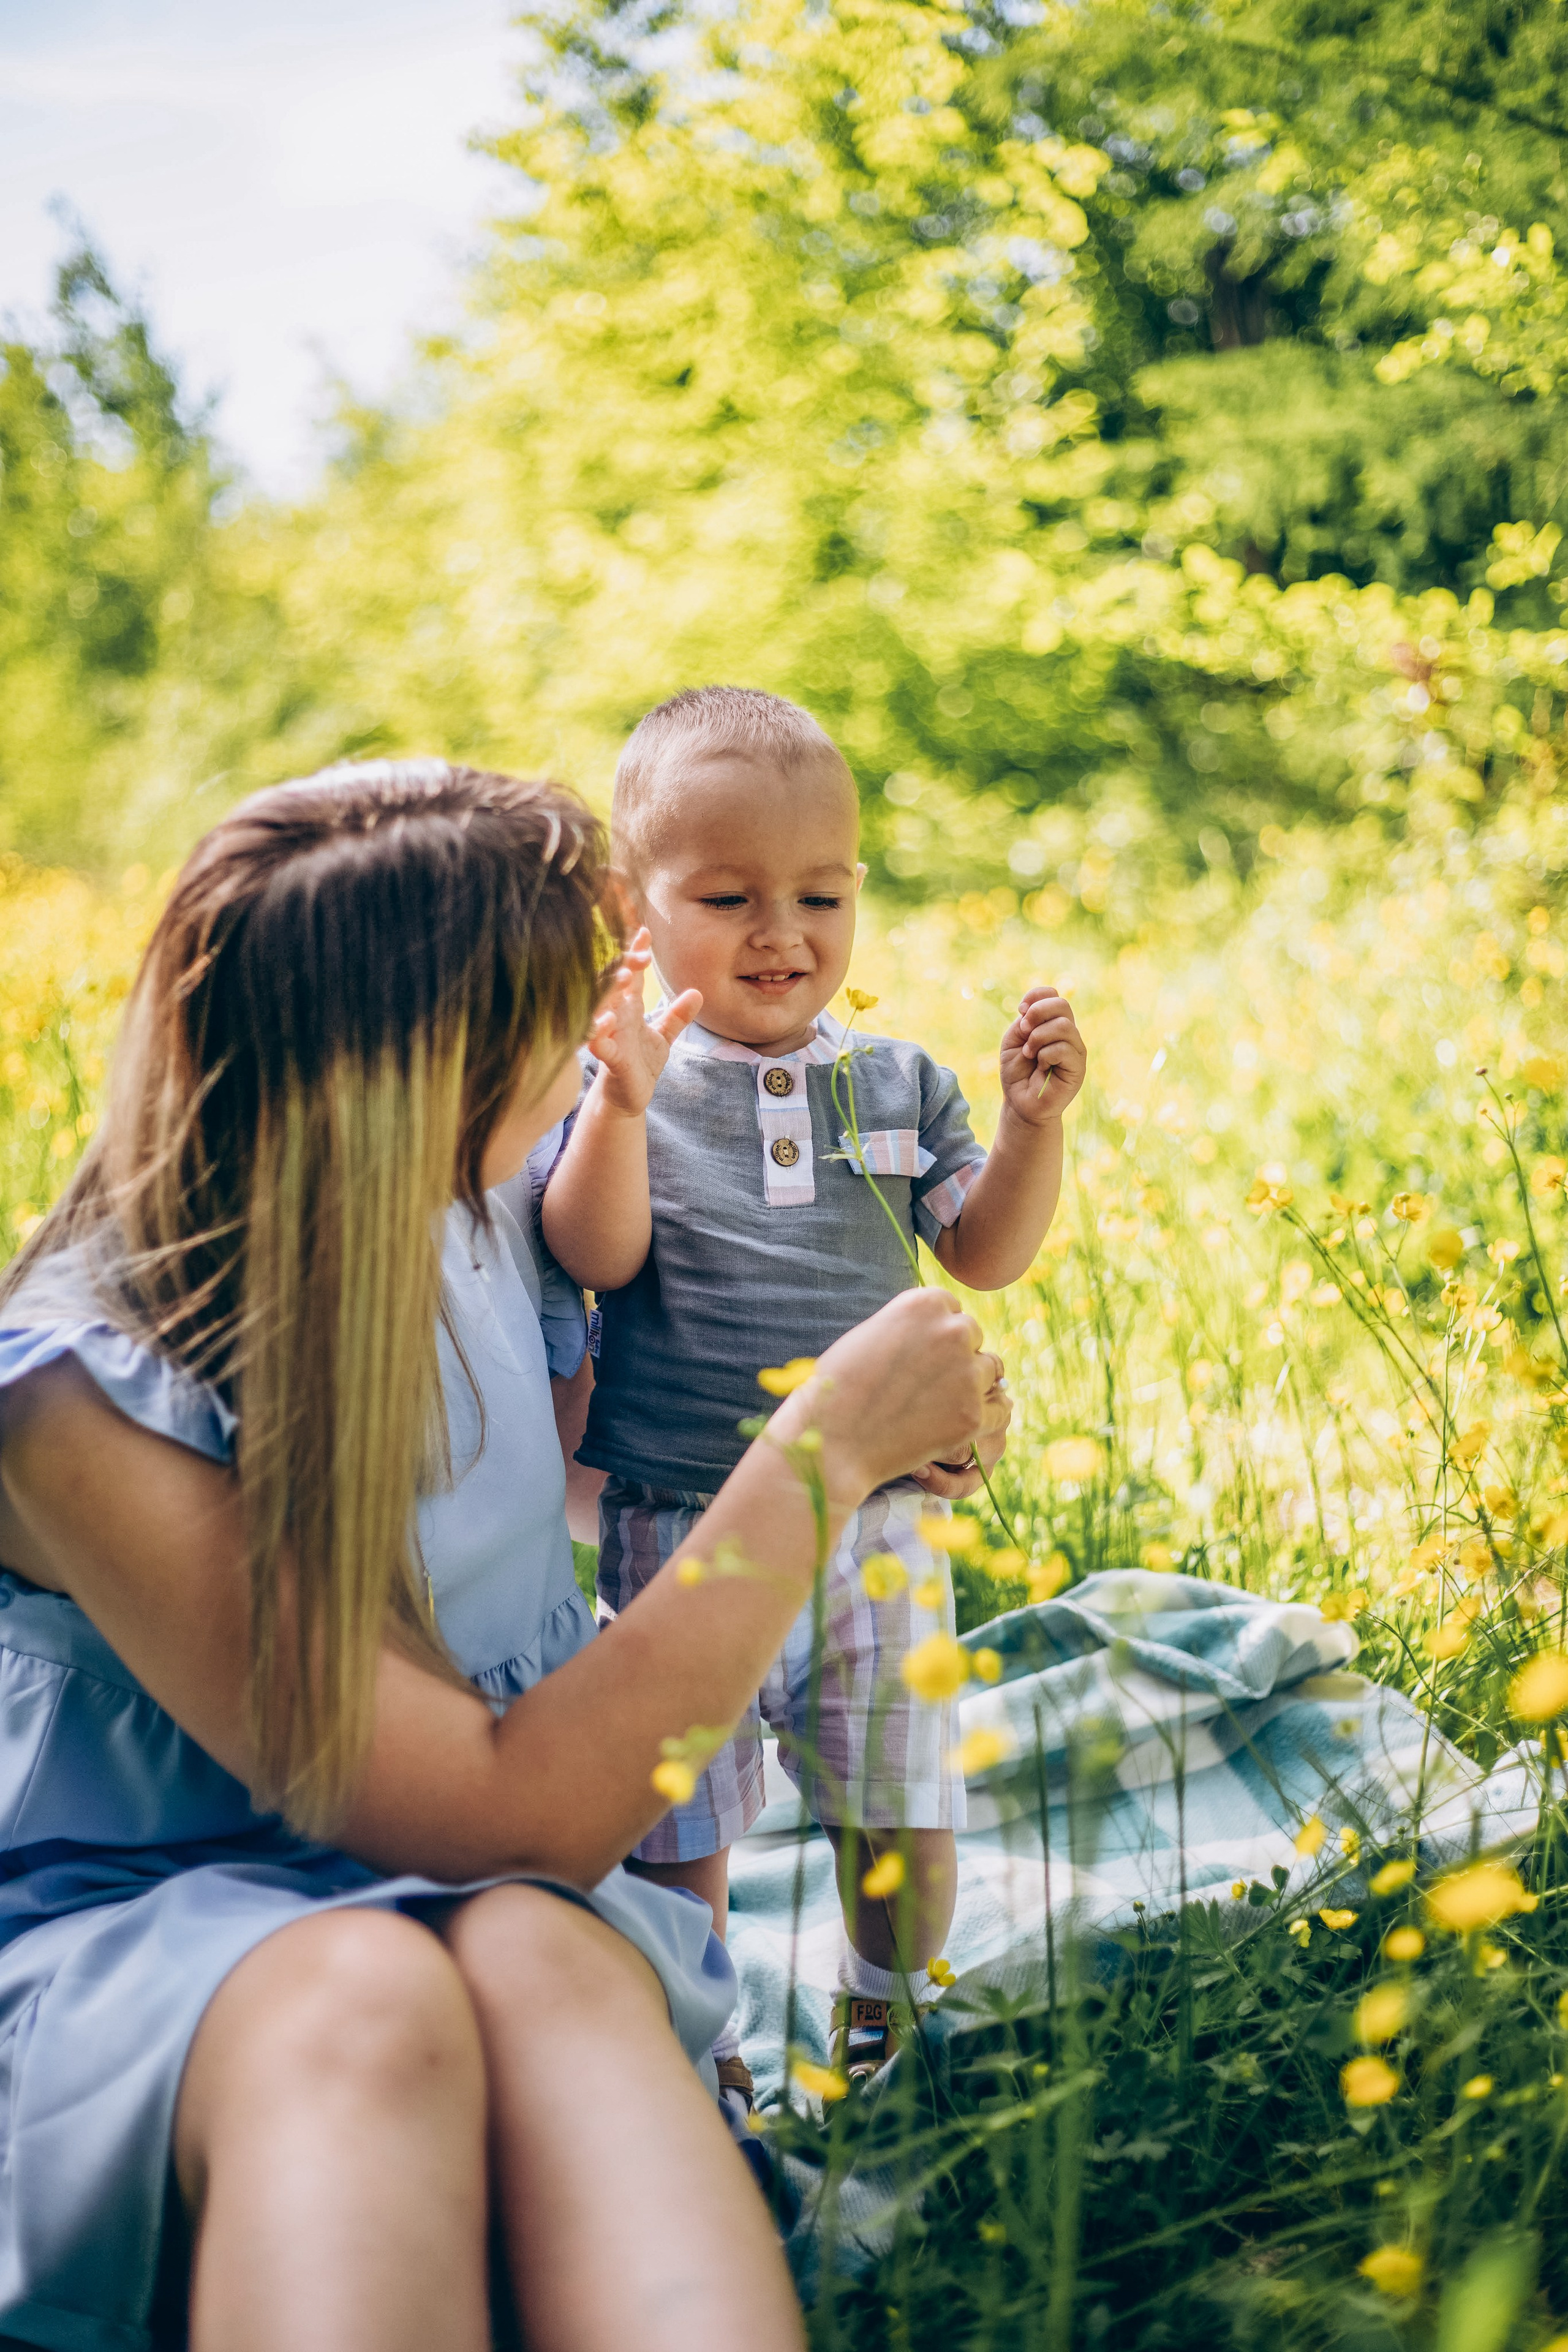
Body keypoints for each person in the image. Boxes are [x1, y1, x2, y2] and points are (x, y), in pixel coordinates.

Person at [0, 760, 1008, 2352]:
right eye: (580, 1000)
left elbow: (561, 1501)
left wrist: (871, 1450)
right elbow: (494, 1809)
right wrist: (819, 1464)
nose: (624, 1023)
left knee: (543, 1963)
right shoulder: (80, 1397)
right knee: (360, 2000)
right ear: (443, 1068)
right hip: (156, 1902)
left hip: (523, 1878)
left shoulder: (475, 1211)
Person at [539, 687, 1085, 2086]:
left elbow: (984, 1253)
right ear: (635, 913)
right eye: (728, 895)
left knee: (899, 1808)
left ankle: (878, 2016)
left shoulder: (899, 1083)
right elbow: (594, 1251)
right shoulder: (632, 1085)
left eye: (822, 896)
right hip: (684, 1523)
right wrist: (616, 1101)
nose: (782, 932)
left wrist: (1031, 1129)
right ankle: (696, 2040)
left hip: (883, 1523)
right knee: (680, 1827)